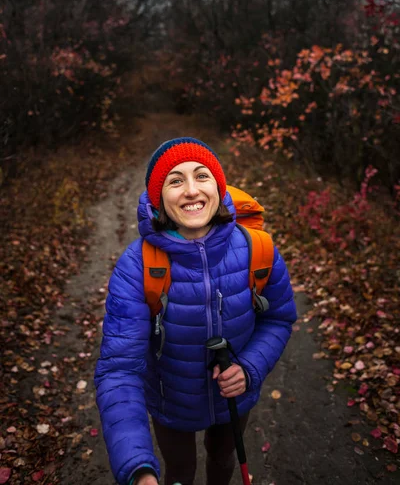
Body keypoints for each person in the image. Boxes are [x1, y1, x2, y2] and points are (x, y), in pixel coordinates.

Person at [94, 137, 297, 485]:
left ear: (218, 185)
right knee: (180, 470)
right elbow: (119, 370)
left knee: (222, 459)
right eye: (175, 180)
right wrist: (138, 467)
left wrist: (249, 368)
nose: (191, 190)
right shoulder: (137, 265)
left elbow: (278, 318)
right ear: (159, 198)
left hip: (233, 397)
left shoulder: (258, 249)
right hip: (169, 399)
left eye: (202, 176)